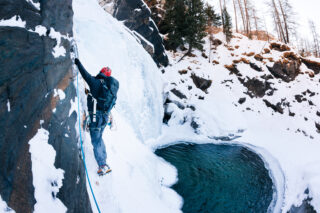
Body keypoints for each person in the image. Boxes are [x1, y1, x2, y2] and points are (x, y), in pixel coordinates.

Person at [75, 58, 119, 176]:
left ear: (100, 72)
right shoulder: (109, 88)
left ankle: (102, 165)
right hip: (104, 118)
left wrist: (78, 62)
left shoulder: (95, 82)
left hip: (96, 118)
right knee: (99, 138)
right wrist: (89, 93)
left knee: (96, 140)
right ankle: (104, 160)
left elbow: (85, 75)